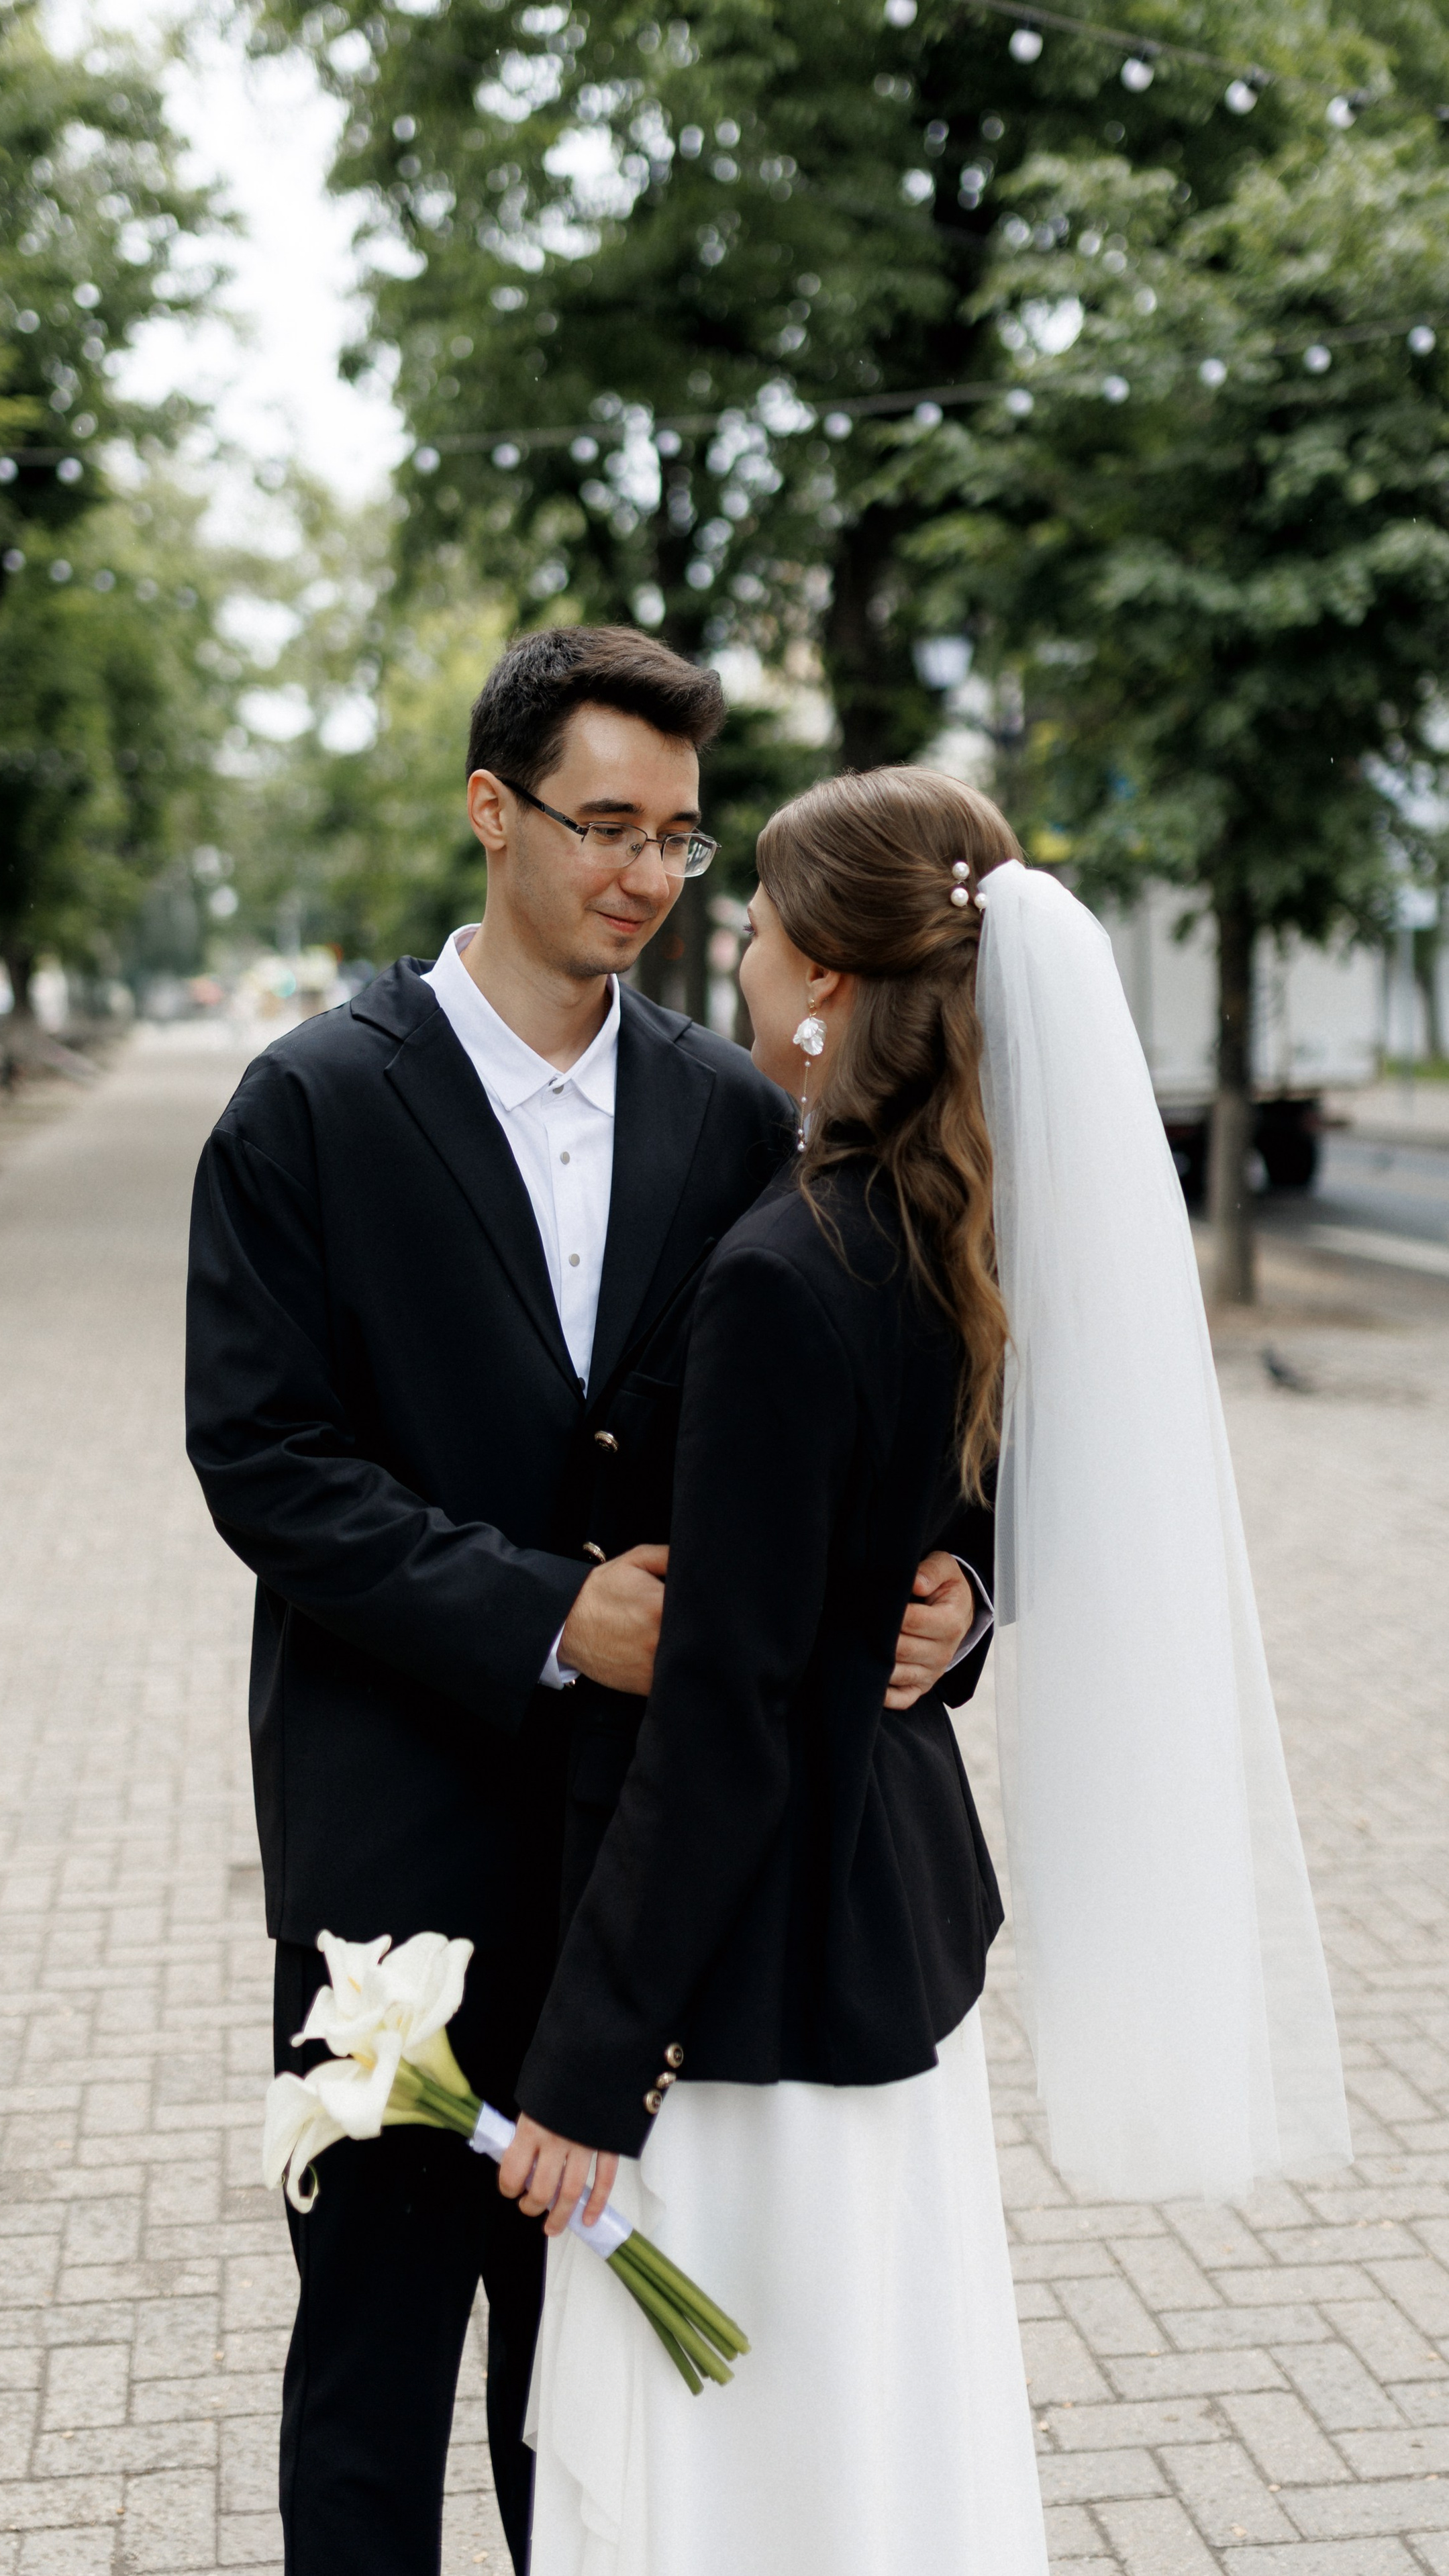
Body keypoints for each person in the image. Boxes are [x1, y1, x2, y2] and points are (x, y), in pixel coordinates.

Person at [183, 630, 985, 2576]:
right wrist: (551, 1614)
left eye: (684, 842)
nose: (643, 873)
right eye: (605, 823)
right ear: (492, 811)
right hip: (399, 1849)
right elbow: (265, 1462)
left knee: (608, 2401)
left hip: (656, 1865)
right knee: (370, 2383)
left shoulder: (741, 1110)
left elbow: (908, 1377)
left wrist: (966, 1590)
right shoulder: (305, 1106)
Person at [503, 766, 1350, 2575]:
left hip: (755, 1998)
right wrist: (964, 1578)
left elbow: (723, 1712)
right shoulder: (956, 1234)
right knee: (874, 2428)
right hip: (891, 1941)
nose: (726, 942)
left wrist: (587, 2059)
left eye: (752, 918)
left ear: (821, 980)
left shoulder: (781, 1272)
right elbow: (1026, 1492)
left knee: (749, 2458)